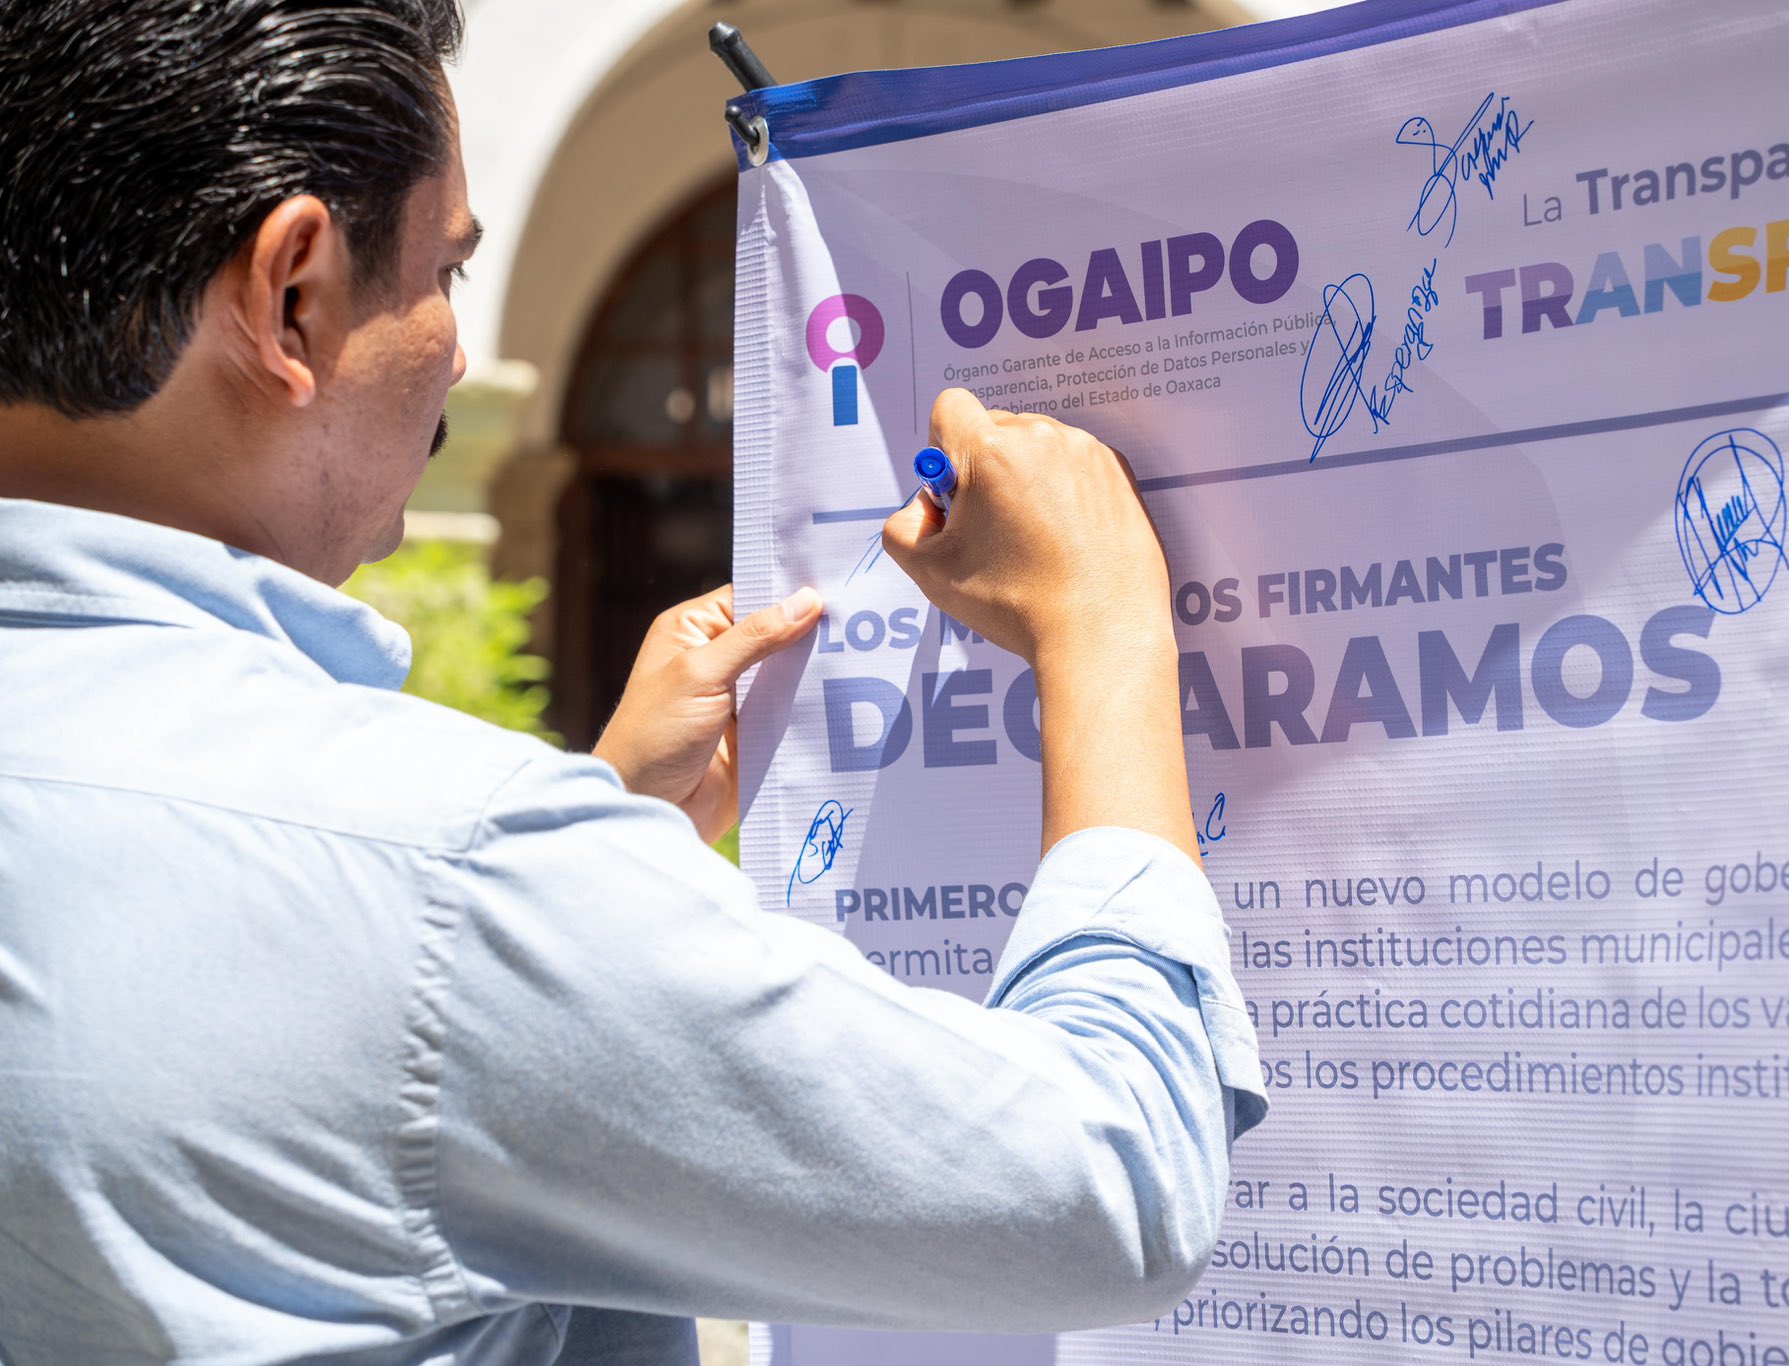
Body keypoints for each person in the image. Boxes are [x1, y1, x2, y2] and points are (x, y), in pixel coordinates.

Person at [0, 1, 1265, 1360]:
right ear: (294, 295)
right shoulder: (453, 879)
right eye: (446, 272)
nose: (457, 354)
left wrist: (602, 827)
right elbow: (1111, 1180)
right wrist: (1105, 618)